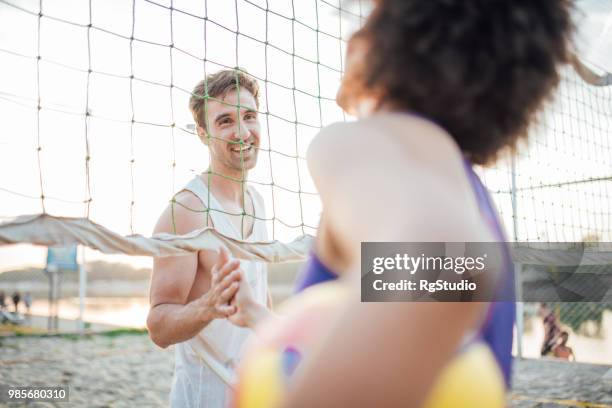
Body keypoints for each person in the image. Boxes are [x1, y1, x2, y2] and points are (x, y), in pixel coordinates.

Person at [234, 1, 572, 406]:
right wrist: (257, 315)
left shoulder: (360, 144)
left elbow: (440, 262)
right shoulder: (464, 190)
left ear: (369, 47)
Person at [147, 68, 272, 407]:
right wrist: (209, 305)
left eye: (249, 116)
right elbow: (158, 326)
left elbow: (261, 299)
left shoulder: (257, 202)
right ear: (202, 133)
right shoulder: (186, 211)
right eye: (225, 121)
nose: (243, 131)